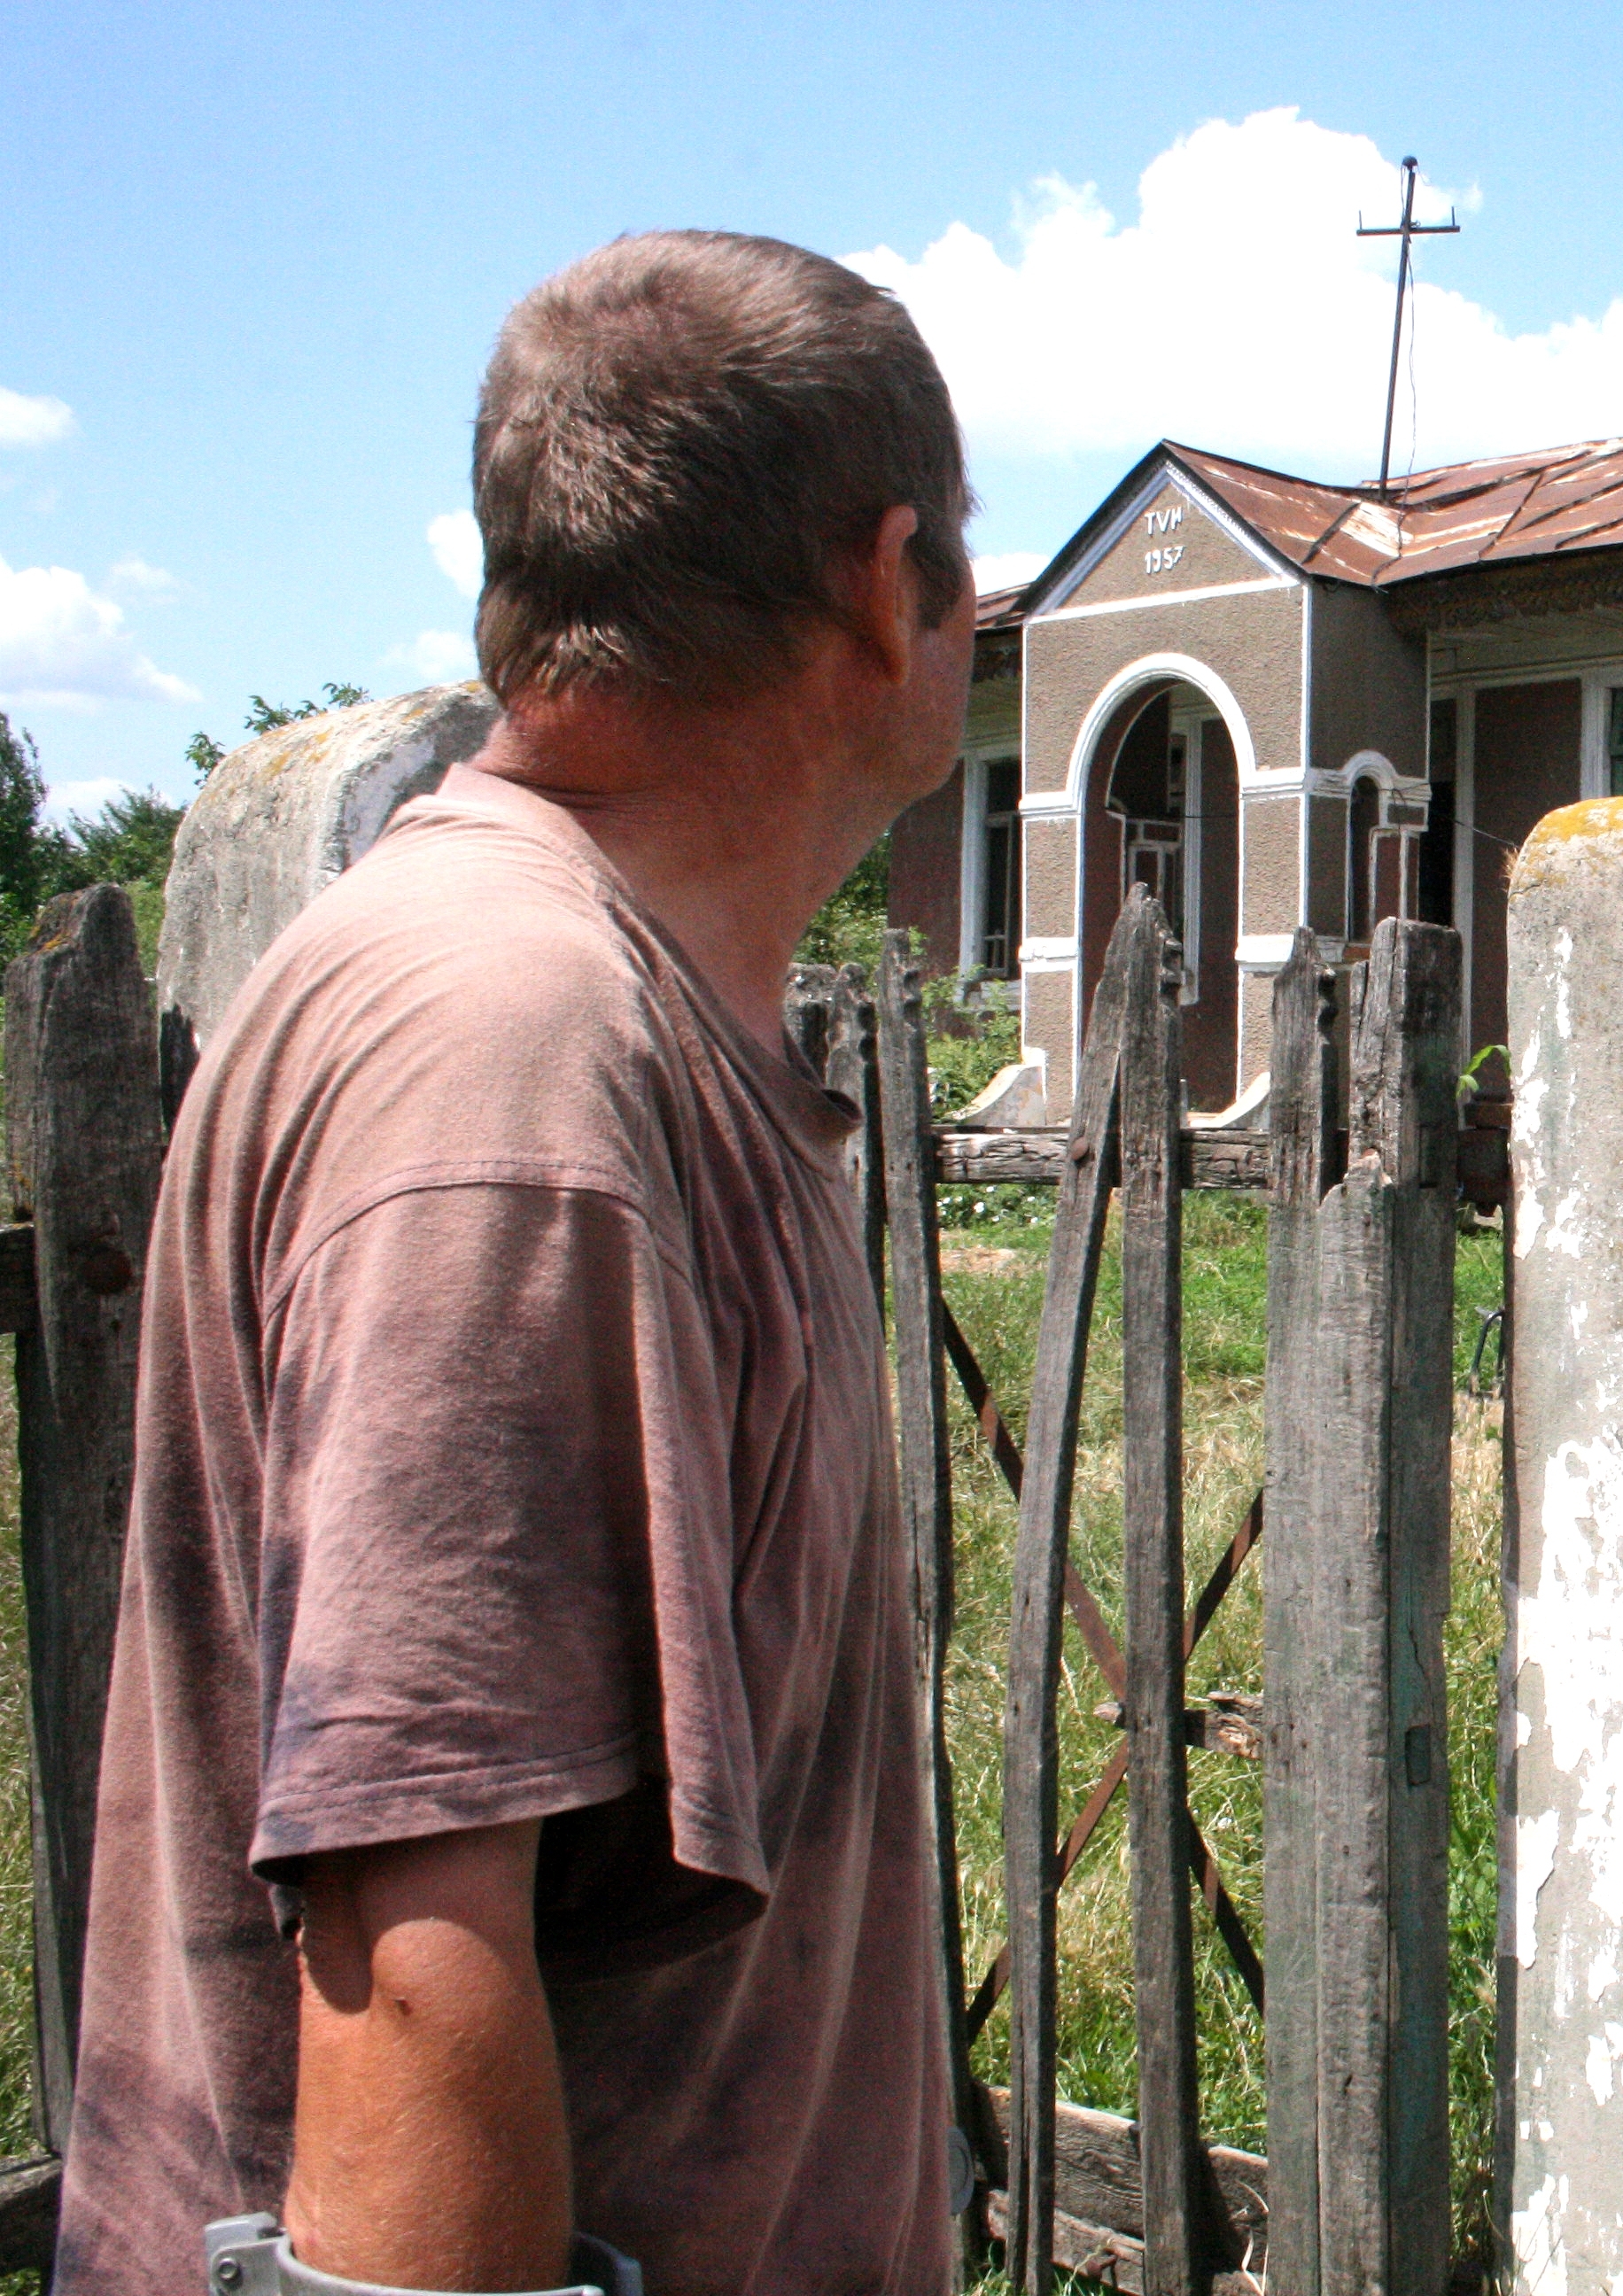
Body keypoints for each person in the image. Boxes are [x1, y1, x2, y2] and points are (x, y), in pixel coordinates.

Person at [55, 230, 974, 2294]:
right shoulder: (516, 1071)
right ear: (881, 579)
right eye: (965, 567)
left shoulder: (586, 1008)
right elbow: (412, 1942)